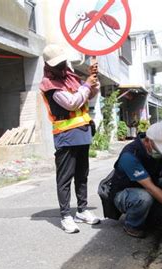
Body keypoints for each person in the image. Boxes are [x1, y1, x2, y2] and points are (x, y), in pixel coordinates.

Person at [40, 44, 100, 234]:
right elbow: (72, 103)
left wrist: (93, 82)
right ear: (48, 66)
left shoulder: (71, 77)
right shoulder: (50, 85)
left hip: (82, 133)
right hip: (66, 137)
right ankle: (66, 215)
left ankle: (81, 211)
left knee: (82, 175)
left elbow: (88, 96)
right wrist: (87, 84)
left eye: (62, 62)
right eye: (56, 65)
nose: (61, 67)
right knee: (65, 178)